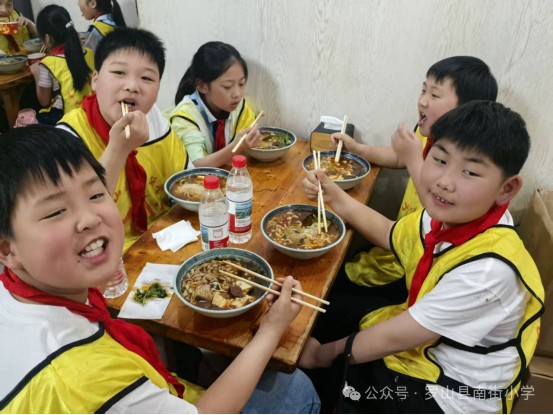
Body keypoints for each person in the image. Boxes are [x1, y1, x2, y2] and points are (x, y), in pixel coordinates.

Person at [0, 125, 320, 413]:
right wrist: (271, 330)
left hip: (150, 386)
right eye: (55, 211)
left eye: (96, 194)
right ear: (6, 249)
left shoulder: (19, 290)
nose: (89, 218)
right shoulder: (87, 380)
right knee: (296, 390)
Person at [301, 100, 544, 413]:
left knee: (335, 376)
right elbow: (391, 233)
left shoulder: (488, 271)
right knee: (324, 314)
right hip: (428, 343)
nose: (444, 181)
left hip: (453, 392)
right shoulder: (450, 215)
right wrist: (334, 195)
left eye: (470, 172)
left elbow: (394, 338)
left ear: (506, 189)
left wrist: (319, 356)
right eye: (440, 159)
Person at [326, 57, 499, 313]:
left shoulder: (463, 163)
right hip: (396, 239)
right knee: (337, 272)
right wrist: (359, 149)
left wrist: (411, 157)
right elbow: (398, 158)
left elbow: (434, 207)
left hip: (410, 264)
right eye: (423, 90)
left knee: (334, 294)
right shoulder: (428, 134)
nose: (422, 101)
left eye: (435, 95)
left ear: (465, 111)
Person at [57, 28, 193, 252]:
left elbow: (186, 182)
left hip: (164, 242)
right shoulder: (68, 137)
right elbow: (77, 222)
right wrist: (119, 149)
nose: (132, 86)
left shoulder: (155, 120)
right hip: (102, 254)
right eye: (119, 72)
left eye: (146, 78)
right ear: (95, 80)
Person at [166, 41, 261, 167]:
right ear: (202, 86)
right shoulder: (184, 117)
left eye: (241, 84)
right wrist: (236, 146)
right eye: (227, 86)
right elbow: (197, 165)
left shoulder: (240, 107)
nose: (237, 94)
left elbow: (248, 148)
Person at [30, 5, 94, 125]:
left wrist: (36, 73)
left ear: (47, 38)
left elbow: (44, 101)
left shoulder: (48, 63)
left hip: (67, 121)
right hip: (92, 113)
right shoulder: (89, 53)